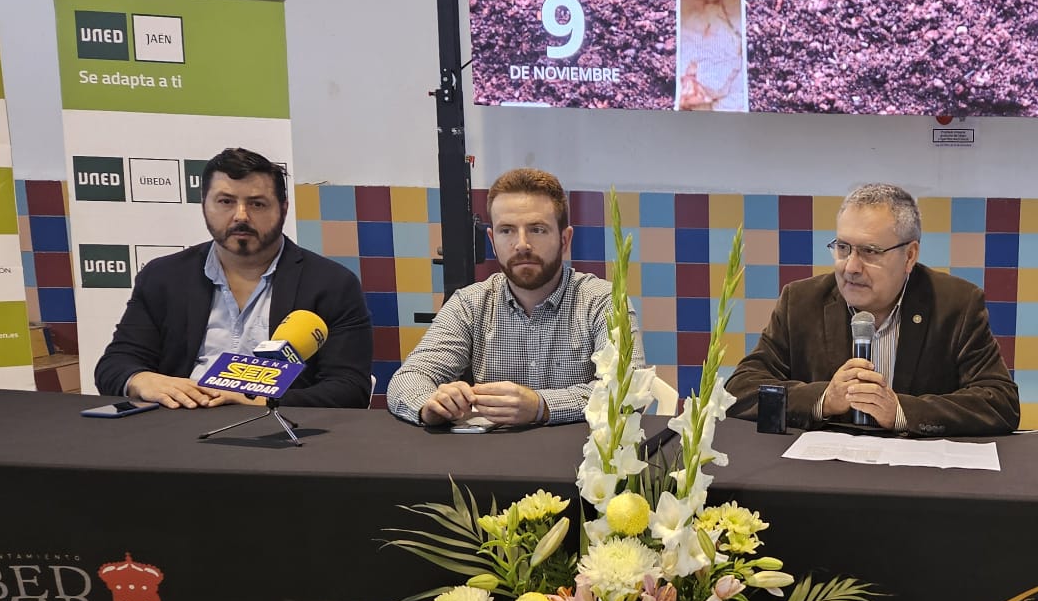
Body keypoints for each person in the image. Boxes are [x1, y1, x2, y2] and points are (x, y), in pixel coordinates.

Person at [727, 183, 1018, 436]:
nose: (851, 267)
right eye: (843, 248)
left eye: (870, 251)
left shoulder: (956, 304)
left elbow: (999, 402)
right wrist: (824, 398)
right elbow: (740, 390)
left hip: (919, 482)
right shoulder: (802, 301)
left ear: (910, 255)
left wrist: (901, 411)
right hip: (822, 477)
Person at [95, 147, 373, 409]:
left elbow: (349, 389)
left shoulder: (331, 284)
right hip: (178, 426)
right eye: (226, 202)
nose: (241, 216)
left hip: (281, 433)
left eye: (257, 204)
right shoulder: (164, 277)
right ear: (204, 205)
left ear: (283, 209)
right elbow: (115, 365)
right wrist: (142, 380)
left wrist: (258, 401)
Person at [387, 168, 635, 427]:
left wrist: (541, 406)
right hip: (492, 461)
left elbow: (627, 389)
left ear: (564, 240)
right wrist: (430, 404)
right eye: (507, 231)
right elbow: (409, 377)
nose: (522, 244)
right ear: (493, 241)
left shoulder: (604, 302)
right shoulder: (469, 304)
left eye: (537, 229)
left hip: (581, 461)